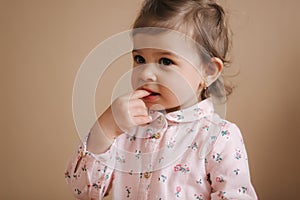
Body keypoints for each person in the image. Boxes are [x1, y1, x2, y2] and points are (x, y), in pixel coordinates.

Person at [65, 0, 257, 199]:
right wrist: (106, 128)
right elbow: (84, 191)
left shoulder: (219, 137)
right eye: (139, 59)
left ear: (208, 71)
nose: (145, 73)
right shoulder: (127, 127)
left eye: (166, 61)